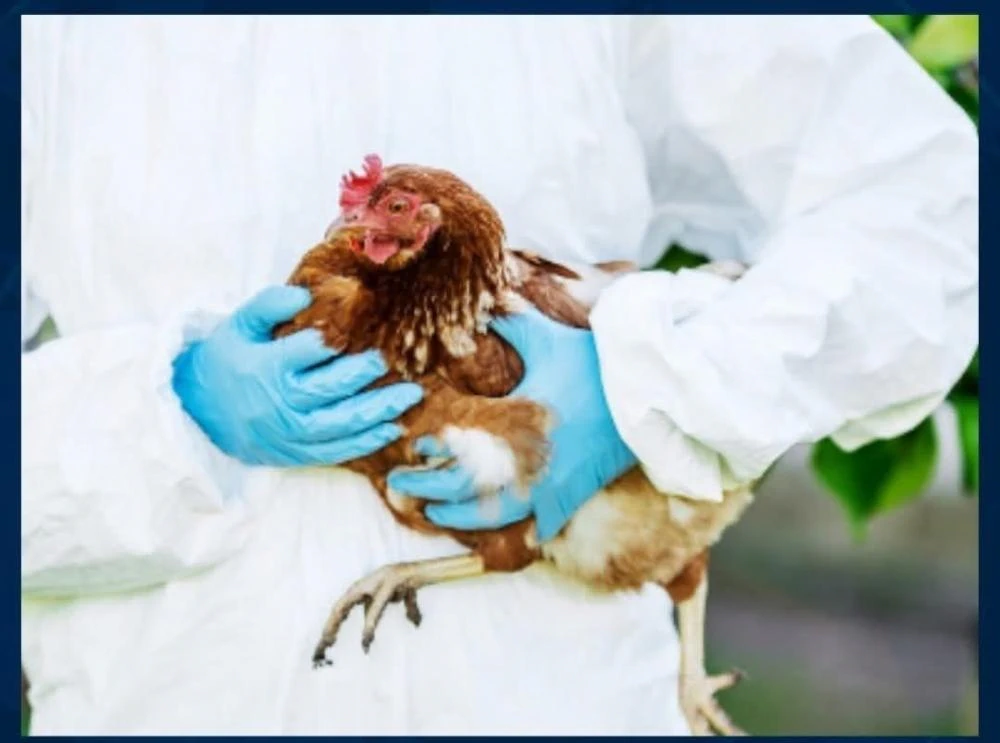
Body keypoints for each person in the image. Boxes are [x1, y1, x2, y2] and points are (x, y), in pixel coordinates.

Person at [21, 14, 978, 736]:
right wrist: (161, 417)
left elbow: (927, 210)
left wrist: (648, 388)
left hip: (549, 696)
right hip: (177, 698)